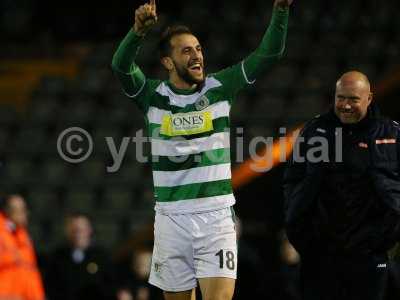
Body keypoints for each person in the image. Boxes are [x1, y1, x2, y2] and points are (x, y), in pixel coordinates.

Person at [111, 0, 292, 299]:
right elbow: (121, 66)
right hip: (171, 219)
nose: (197, 55)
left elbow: (269, 53)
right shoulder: (152, 96)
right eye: (186, 51)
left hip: (216, 217)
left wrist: (281, 10)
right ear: (168, 62)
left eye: (198, 49)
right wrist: (137, 32)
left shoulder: (221, 86)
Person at [283, 71, 400, 300]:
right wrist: (298, 229)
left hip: (371, 255)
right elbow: (292, 181)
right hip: (320, 255)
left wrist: (388, 238)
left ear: (369, 98)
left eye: (353, 99)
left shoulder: (392, 133)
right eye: (340, 98)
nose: (345, 105)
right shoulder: (314, 131)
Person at [46, 213, 113, 300]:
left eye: (81, 230)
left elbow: (110, 287)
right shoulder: (58, 257)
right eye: (74, 230)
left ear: (89, 230)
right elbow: (50, 286)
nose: (77, 234)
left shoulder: (101, 257)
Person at [0, 194, 45, 300]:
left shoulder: (23, 236)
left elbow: (30, 270)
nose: (25, 214)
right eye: (20, 210)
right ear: (8, 211)